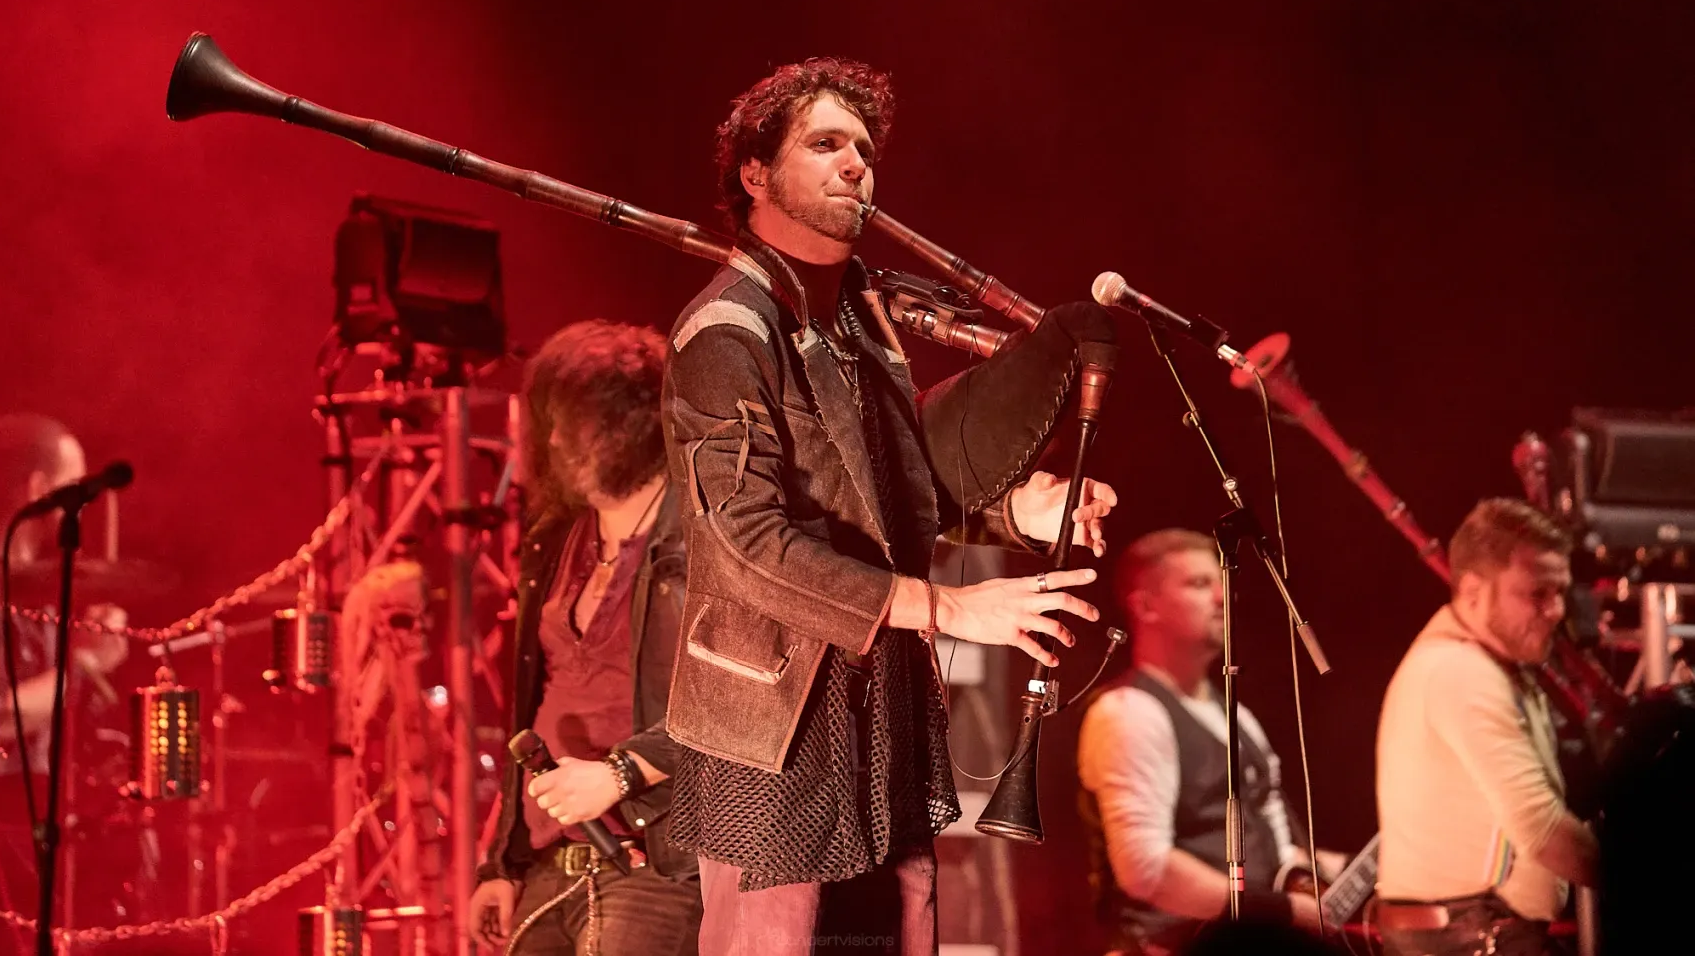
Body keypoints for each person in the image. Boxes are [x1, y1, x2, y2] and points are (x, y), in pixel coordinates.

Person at [659, 57, 1119, 956]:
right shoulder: (724, 333)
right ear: (755, 174)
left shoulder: (860, 320)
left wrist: (1016, 513)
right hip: (772, 728)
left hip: (880, 707)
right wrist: (950, 608)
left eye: (864, 151)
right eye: (824, 144)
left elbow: (887, 497)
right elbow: (746, 546)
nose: (854, 165)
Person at [470, 321, 703, 955]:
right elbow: (533, 707)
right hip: (551, 863)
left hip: (655, 860)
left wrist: (622, 772)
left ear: (630, 425)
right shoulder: (555, 537)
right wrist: (503, 862)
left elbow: (743, 700)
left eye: (572, 425)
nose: (552, 441)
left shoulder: (703, 535)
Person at [1077, 529, 1340, 955]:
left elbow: (1275, 840)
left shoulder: (1235, 713)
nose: (1222, 597)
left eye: (1222, 583)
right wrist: (1282, 912)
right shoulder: (1128, 712)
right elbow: (1145, 869)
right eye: (1198, 584)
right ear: (1145, 606)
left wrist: (1355, 868)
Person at [1375, 498, 1597, 955]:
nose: (1556, 610)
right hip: (1471, 939)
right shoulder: (1461, 673)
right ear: (1473, 591)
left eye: (1560, 592)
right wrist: (1658, 879)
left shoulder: (1482, 664)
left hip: (1473, 933)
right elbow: (1544, 833)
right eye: (1537, 593)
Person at [0, 413, 129, 956]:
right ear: (37, 489)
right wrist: (82, 668)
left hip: (35, 814)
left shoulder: (41, 590)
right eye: (73, 485)